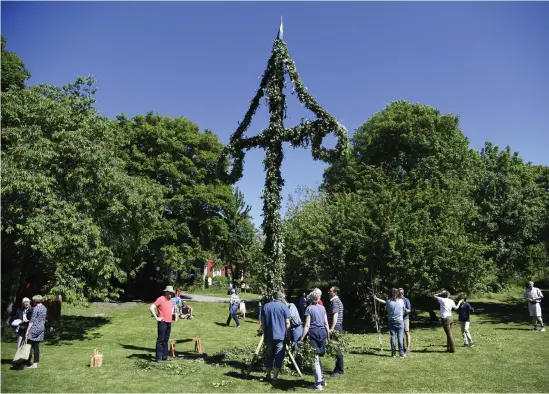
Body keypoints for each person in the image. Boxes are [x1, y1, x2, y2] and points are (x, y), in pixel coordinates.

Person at [301, 289, 330, 390]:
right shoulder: (322, 308)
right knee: (317, 357)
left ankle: (318, 384)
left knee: (314, 358)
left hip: (313, 333)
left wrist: (301, 337)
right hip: (322, 333)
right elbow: (326, 323)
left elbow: (307, 325)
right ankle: (322, 380)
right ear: (319, 298)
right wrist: (328, 335)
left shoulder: (309, 309)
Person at [262, 291, 291, 385]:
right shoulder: (284, 307)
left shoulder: (266, 306)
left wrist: (264, 333)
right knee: (278, 356)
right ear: (281, 298)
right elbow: (287, 323)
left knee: (269, 355)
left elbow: (263, 322)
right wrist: (288, 335)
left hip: (269, 336)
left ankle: (267, 374)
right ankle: (275, 378)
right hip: (280, 336)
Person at [374, 289, 407, 358]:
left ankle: (393, 353)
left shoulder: (389, 302)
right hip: (400, 321)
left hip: (391, 321)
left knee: (393, 337)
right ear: (398, 294)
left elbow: (384, 302)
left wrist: (376, 298)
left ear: (392, 293)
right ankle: (401, 353)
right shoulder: (401, 301)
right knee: (400, 337)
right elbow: (404, 310)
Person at [150, 285, 175, 363]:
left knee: (166, 340)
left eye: (172, 293)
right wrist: (156, 317)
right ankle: (158, 358)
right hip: (162, 323)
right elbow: (151, 307)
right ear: (166, 292)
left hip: (169, 322)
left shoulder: (171, 301)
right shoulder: (161, 299)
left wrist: (172, 314)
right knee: (160, 340)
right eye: (170, 293)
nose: (171, 294)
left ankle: (165, 356)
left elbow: (171, 308)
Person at [25, 295, 47, 369]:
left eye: (33, 301)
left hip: (34, 328)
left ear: (35, 301)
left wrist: (27, 331)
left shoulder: (35, 309)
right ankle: (35, 363)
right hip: (41, 328)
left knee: (29, 345)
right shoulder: (44, 308)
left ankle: (27, 361)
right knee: (36, 347)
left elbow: (32, 321)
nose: (33, 302)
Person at [328, 286, 344, 377]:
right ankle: (337, 369)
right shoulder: (335, 301)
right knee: (336, 349)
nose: (329, 292)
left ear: (335, 292)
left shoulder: (335, 302)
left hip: (336, 328)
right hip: (337, 327)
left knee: (338, 350)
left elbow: (335, 315)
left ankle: (340, 371)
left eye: (330, 291)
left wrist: (332, 328)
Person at [398, 288, 412, 353]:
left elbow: (409, 309)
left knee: (406, 332)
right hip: (398, 318)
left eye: (402, 293)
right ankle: (402, 347)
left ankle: (408, 348)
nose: (401, 294)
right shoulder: (396, 300)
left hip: (405, 318)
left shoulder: (406, 300)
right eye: (400, 293)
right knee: (400, 333)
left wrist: (406, 310)